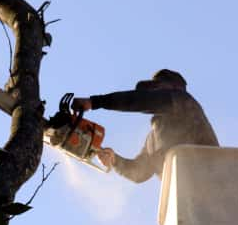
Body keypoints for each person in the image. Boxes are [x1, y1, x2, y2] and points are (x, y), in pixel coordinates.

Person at [71, 69, 219, 183]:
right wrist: (115, 160)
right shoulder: (153, 140)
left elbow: (142, 100)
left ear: (175, 87)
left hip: (213, 181)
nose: (154, 92)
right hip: (185, 201)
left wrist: (95, 102)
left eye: (158, 87)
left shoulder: (184, 102)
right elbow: (139, 172)